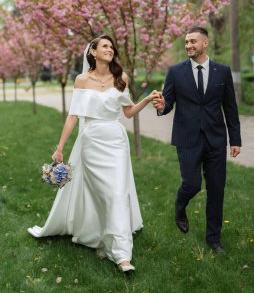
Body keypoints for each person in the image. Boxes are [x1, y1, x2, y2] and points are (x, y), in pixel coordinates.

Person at [28, 34, 159, 272]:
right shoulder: (81, 80)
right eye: (105, 46)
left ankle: (122, 256)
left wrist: (148, 99)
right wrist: (59, 147)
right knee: (100, 194)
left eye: (112, 47)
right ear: (93, 52)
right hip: (91, 142)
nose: (110, 49)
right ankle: (97, 234)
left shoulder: (121, 78)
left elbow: (128, 112)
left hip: (116, 141)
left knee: (117, 193)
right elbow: (73, 115)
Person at [153, 26, 241, 253]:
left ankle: (213, 239)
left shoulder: (222, 71)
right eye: (186, 42)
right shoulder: (175, 71)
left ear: (205, 43)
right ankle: (180, 205)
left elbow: (230, 108)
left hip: (215, 139)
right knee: (192, 184)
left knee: (216, 189)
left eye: (193, 41)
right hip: (187, 137)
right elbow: (168, 102)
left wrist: (235, 139)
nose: (189, 46)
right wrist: (162, 107)